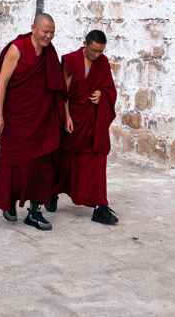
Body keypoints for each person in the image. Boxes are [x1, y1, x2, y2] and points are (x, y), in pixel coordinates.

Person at [0, 13, 64, 231]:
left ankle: (35, 211)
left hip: (42, 118)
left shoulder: (49, 52)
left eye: (52, 33)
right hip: (18, 117)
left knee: (42, 164)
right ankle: (9, 201)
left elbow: (56, 84)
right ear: (33, 28)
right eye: (45, 31)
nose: (48, 36)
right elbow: (2, 82)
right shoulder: (17, 49)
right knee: (14, 161)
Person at [50, 30, 119, 226]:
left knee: (96, 161)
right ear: (85, 44)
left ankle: (100, 205)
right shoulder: (71, 61)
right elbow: (63, 92)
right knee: (65, 160)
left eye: (100, 51)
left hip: (93, 122)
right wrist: (67, 117)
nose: (97, 55)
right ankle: (52, 192)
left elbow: (110, 89)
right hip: (73, 119)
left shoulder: (103, 63)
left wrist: (102, 94)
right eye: (94, 50)